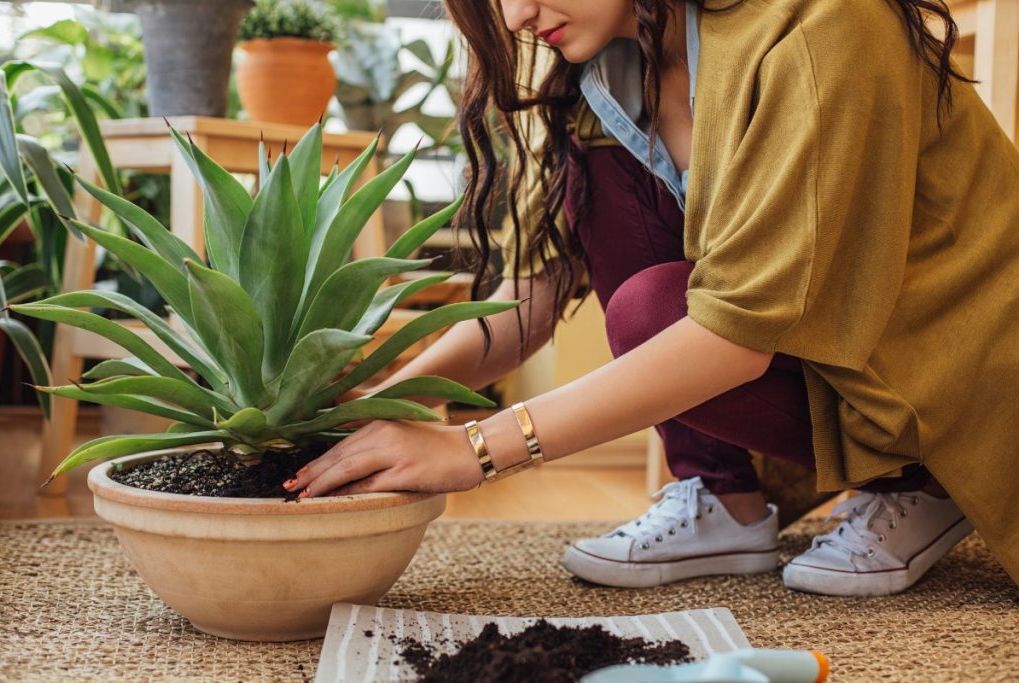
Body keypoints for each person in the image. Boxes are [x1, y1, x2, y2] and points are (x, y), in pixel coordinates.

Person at [284, 0, 1019, 596]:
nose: (513, 16)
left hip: (964, 375)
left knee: (650, 312)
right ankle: (722, 498)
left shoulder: (823, 25)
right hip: (843, 363)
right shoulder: (612, 65)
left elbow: (736, 332)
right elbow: (532, 294)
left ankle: (923, 480)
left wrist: (473, 449)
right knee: (620, 231)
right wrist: (388, 402)